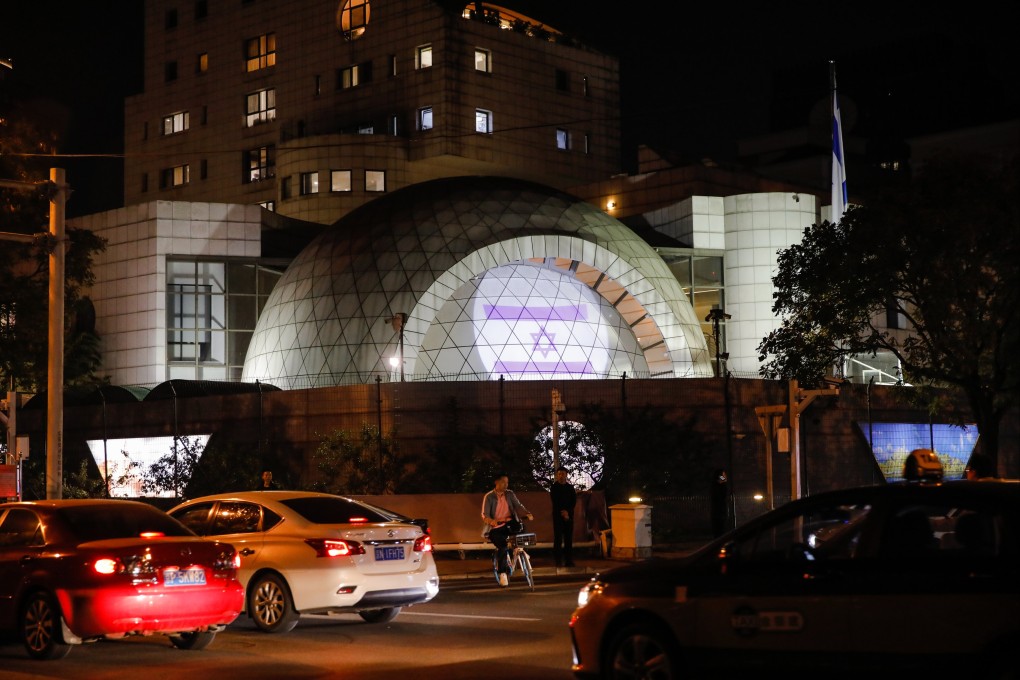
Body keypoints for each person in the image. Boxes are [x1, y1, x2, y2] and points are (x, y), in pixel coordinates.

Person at [481, 473, 533, 587]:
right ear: (496, 482)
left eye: (507, 482)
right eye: (503, 482)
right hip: (496, 527)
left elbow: (518, 505)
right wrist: (491, 521)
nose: (506, 484)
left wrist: (527, 513)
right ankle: (502, 573)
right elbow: (485, 515)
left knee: (522, 528)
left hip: (510, 523)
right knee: (503, 546)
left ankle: (520, 550)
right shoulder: (489, 496)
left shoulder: (509, 494)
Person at [550, 466, 577, 568]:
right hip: (558, 516)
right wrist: (563, 512)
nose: (561, 476)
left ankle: (569, 561)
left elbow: (573, 501)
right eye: (559, 474)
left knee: (568, 539)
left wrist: (568, 512)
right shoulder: (554, 487)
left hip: (569, 516)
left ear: (566, 475)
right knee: (558, 539)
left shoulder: (570, 488)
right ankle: (558, 561)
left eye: (563, 474)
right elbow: (555, 501)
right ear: (557, 475)